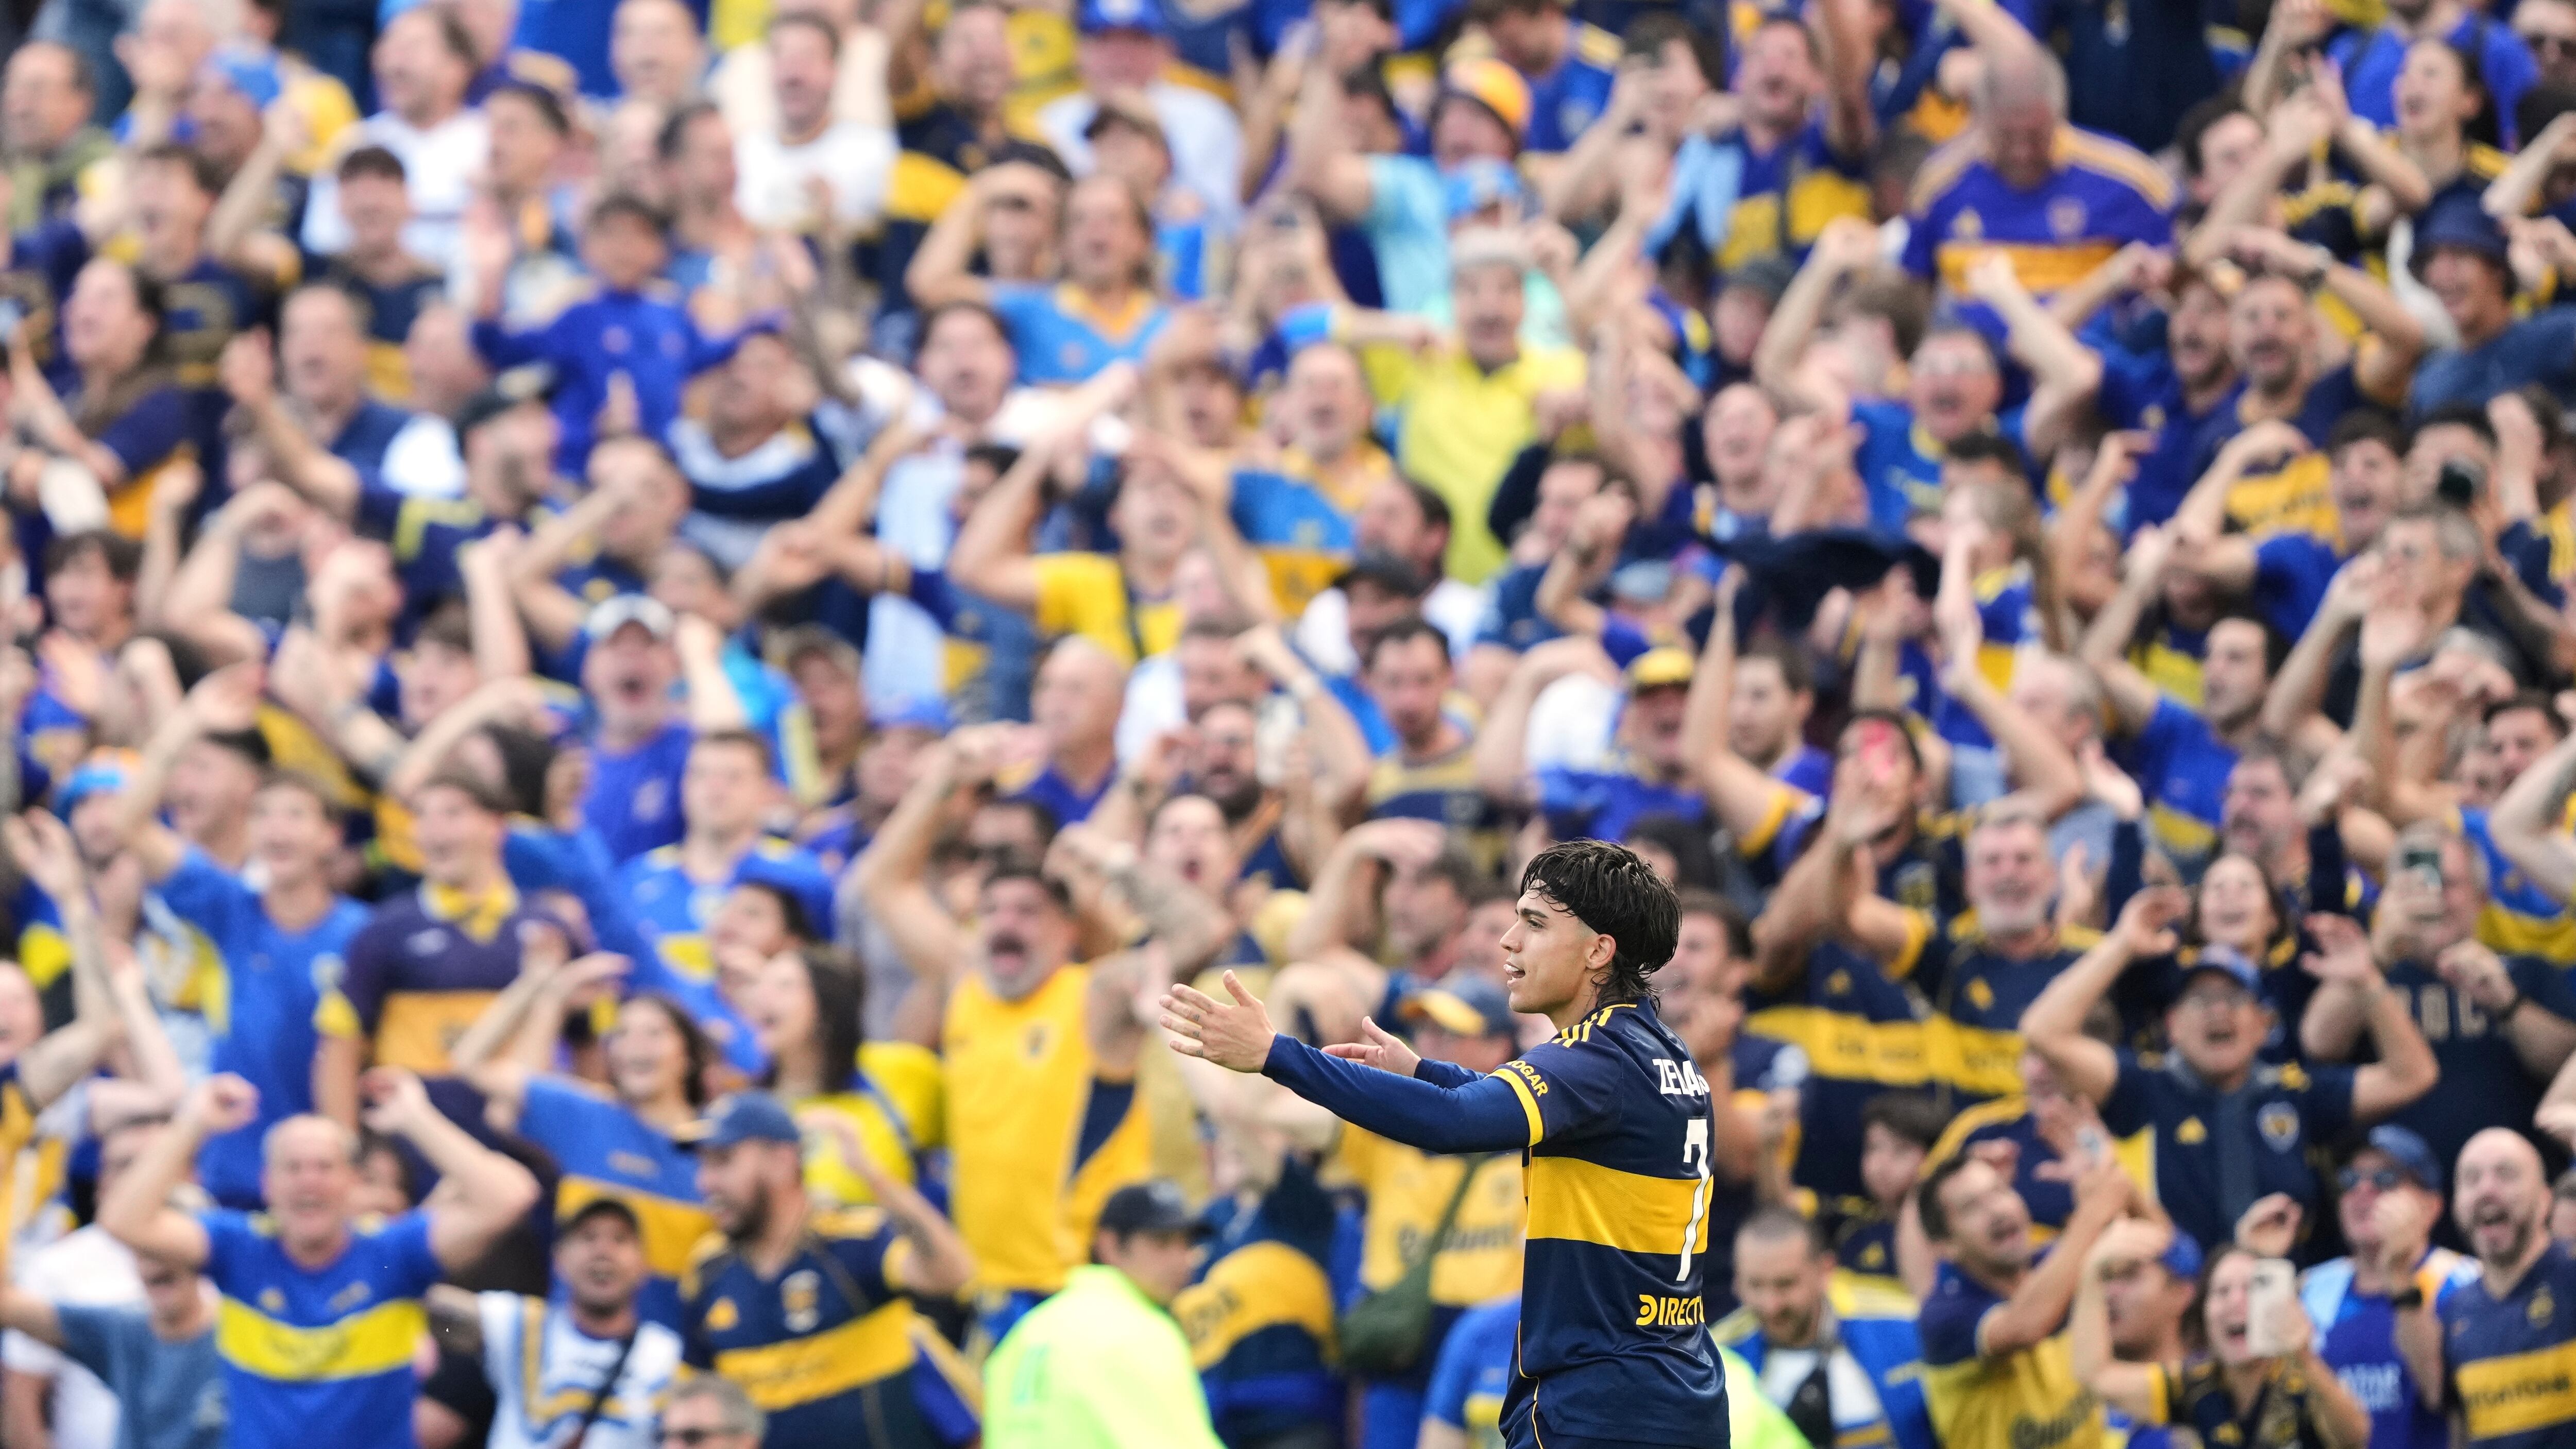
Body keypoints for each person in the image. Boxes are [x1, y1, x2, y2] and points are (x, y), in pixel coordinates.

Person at [1163, 838, 1727, 1448]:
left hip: (1601, 1405)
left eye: (1533, 923)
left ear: (1598, 949)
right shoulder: (1658, 1049)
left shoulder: (1593, 1059)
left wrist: (1276, 1054)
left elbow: (1453, 1123)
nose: (1507, 940)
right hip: (1673, 1390)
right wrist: (1424, 1072)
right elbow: (1499, 1101)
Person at [96, 1068, 541, 1449]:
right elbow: (122, 1220)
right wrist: (191, 1123)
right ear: (267, 1184)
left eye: (325, 1167)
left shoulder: (392, 1252)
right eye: (293, 1168)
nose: (309, 1182)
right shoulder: (238, 1248)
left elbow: (510, 1197)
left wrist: (417, 1119)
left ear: (352, 1182)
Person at [675, 1090, 979, 1449]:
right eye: (703, 1165)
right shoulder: (706, 1270)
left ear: (782, 1161)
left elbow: (953, 1272)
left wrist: (873, 1175)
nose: (705, 1183)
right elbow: (691, 1405)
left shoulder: (855, 1240)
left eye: (723, 1161)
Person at [2072, 1217, 2372, 1449]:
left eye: (2251, 1288)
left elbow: (2355, 1437)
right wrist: (2092, 1272)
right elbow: (2096, 1376)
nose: (2235, 1302)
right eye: (2222, 1291)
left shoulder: (2304, 1377)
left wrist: (2305, 1358)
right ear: (2204, 1314)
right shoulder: (2195, 1385)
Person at [983, 1179, 1228, 1449]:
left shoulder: (1027, 1333)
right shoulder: (1141, 1332)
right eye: (1162, 1242)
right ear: (1110, 1245)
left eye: (1186, 1244)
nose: (1181, 1259)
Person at [422, 1198, 685, 1449]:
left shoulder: (666, 1355)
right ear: (559, 1260)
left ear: (644, 1267)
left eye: (620, 1239)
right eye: (588, 1237)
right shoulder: (523, 1324)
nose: (603, 1251)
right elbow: (430, 1307)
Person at [1718, 1206, 1934, 1449]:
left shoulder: (1901, 1327)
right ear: (1736, 1281)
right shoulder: (1717, 1357)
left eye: (1785, 1284)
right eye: (1756, 1285)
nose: (1771, 1305)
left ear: (1825, 1271)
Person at [2410, 1128, 2576, 1444]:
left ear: (2545, 1200)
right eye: (2471, 1179)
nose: (2487, 1190)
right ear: (2455, 1204)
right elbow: (2461, 1431)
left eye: (2506, 1174)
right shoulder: (2457, 1310)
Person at [0, 1229, 223, 1449]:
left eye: (165, 1253)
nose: (155, 1266)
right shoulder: (125, 1332)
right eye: (144, 1253)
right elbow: (11, 1308)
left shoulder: (232, 1340)